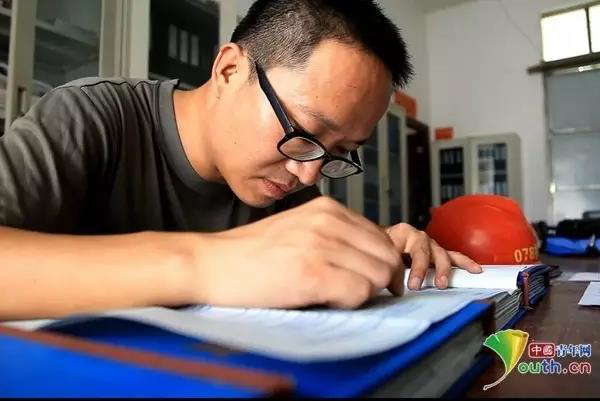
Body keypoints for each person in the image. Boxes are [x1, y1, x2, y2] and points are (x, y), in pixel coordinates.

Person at [0, 0, 481, 321]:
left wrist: (376, 247)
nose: (308, 173)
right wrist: (206, 263)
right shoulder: (91, 117)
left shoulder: (288, 186)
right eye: (303, 131)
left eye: (338, 152)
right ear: (229, 69)